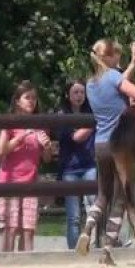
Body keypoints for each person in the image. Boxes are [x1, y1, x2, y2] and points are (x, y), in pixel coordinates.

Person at [75, 39, 135, 259]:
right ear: (107, 57)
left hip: (100, 143)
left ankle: (87, 229)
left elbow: (116, 83)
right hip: (120, 145)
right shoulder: (114, 78)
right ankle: (107, 248)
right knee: (121, 198)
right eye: (116, 55)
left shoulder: (90, 84)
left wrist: (133, 64)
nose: (119, 58)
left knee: (102, 195)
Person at [0, 80, 53, 252]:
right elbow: (1, 150)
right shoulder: (10, 122)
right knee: (10, 229)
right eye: (27, 97)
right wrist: (21, 137)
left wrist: (47, 146)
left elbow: (47, 159)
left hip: (31, 183)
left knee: (29, 229)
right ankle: (6, 266)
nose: (32, 101)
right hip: (9, 182)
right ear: (18, 101)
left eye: (34, 98)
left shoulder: (40, 125)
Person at [57, 79, 97, 250]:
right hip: (70, 169)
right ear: (68, 95)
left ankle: (95, 245)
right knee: (73, 216)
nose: (79, 95)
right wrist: (93, 123)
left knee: (94, 207)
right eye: (75, 92)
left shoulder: (90, 111)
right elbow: (75, 137)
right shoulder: (62, 115)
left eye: (82, 92)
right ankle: (73, 250)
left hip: (89, 166)